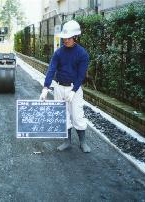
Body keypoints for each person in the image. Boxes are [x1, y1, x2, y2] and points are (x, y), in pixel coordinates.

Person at [39, 20, 91, 153]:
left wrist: (74, 90)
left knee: (77, 115)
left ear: (75, 37)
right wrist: (46, 88)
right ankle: (67, 141)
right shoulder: (59, 53)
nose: (65, 40)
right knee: (62, 115)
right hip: (59, 87)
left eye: (68, 38)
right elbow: (51, 70)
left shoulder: (82, 54)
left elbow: (81, 75)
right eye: (64, 38)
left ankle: (82, 142)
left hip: (74, 88)